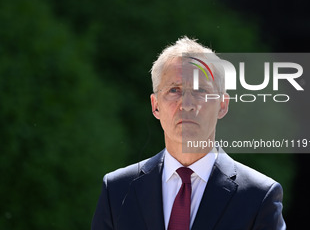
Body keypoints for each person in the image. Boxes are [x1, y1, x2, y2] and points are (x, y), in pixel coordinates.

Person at [91, 37, 286, 230]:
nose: (187, 104)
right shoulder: (117, 190)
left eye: (201, 90)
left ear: (223, 105)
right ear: (155, 105)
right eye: (174, 90)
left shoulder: (259, 196)